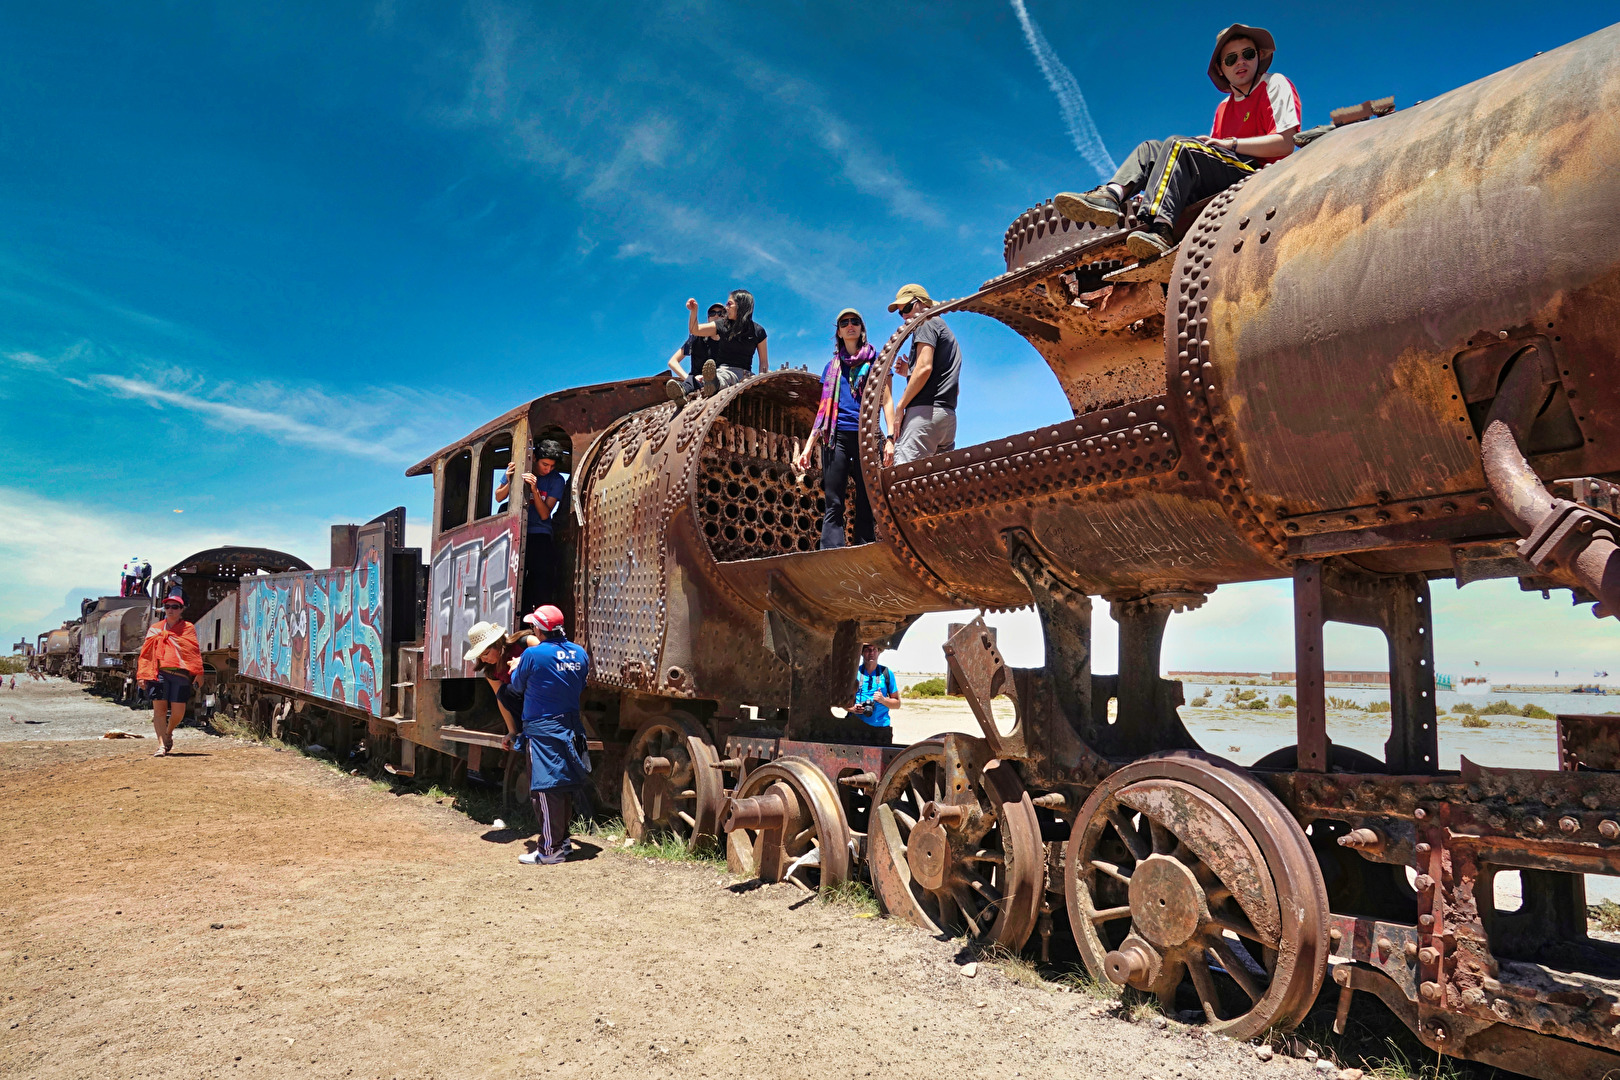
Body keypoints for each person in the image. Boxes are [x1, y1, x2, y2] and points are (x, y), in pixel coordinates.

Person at [1053, 24, 1300, 260]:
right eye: (1231, 58)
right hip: (1225, 174)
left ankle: (1160, 230)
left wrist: (1231, 144)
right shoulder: (1223, 108)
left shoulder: (1274, 83)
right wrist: (1157, 183)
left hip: (1258, 173)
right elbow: (1207, 161)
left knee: (1178, 144)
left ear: (1258, 56)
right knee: (1150, 148)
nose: (1241, 62)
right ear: (1221, 68)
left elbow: (1285, 143)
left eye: (1247, 54)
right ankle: (1111, 195)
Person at [795, 308, 894, 548]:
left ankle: (864, 549)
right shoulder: (832, 367)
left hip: (867, 436)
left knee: (866, 498)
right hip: (835, 436)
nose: (850, 326)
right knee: (834, 500)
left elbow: (888, 401)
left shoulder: (877, 361)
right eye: (844, 323)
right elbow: (822, 410)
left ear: (861, 329)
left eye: (855, 322)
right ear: (838, 332)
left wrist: (890, 438)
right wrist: (808, 447)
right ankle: (831, 553)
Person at [509, 605, 591, 865]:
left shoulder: (533, 655)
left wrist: (516, 666)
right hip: (570, 727)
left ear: (538, 629)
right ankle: (563, 841)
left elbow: (516, 685)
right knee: (563, 785)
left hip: (543, 729)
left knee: (544, 789)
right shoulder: (580, 653)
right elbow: (581, 683)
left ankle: (549, 849)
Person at [887, 284, 962, 466]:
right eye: (900, 312)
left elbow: (925, 368)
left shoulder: (925, 322)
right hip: (947, 417)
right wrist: (909, 371)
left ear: (920, 303)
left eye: (906, 308)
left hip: (923, 416)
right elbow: (949, 383)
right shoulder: (943, 329)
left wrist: (900, 407)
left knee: (904, 477)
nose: (904, 315)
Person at [497, 440, 569, 612]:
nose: (548, 469)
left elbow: (545, 514)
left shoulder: (557, 480)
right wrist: (510, 479)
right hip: (514, 532)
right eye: (545, 464)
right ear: (535, 458)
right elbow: (499, 497)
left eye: (551, 466)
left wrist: (534, 489)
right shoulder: (518, 469)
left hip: (540, 533)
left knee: (541, 581)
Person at [668, 289, 769, 406]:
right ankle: (706, 384)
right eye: (712, 313)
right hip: (724, 370)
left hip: (746, 374)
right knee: (722, 377)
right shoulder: (722, 326)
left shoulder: (759, 331)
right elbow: (695, 330)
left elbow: (764, 362)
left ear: (741, 305)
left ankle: (709, 382)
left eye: (729, 304)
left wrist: (763, 379)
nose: (726, 308)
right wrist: (694, 311)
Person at [136, 587, 202, 756]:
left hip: (180, 675)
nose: (170, 610)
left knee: (178, 712)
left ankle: (169, 732)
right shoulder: (155, 629)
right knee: (159, 710)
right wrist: (142, 675)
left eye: (175, 607)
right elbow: (146, 654)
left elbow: (193, 652)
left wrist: (199, 672)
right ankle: (161, 746)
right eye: (167, 607)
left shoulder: (187, 628)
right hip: (158, 674)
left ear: (181, 610)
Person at [464, 619, 539, 749]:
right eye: (480, 656)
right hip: (524, 703)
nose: (483, 659)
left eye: (486, 654)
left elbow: (549, 655)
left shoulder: (524, 642)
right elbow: (501, 699)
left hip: (544, 695)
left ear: (497, 644)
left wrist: (523, 660)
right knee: (505, 692)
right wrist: (512, 731)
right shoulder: (490, 671)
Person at [666, 303, 727, 401]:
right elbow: (673, 361)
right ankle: (681, 392)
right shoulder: (696, 339)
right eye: (712, 313)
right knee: (691, 381)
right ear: (708, 319)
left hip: (719, 379)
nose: (716, 316)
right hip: (695, 381)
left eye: (721, 313)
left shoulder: (730, 342)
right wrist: (687, 378)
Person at [848, 643, 901, 729]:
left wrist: (883, 700)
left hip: (881, 726)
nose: (871, 653)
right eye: (867, 650)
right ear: (861, 652)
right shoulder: (854, 673)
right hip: (854, 726)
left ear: (879, 652)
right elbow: (843, 702)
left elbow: (897, 704)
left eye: (874, 650)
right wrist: (852, 709)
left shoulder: (886, 673)